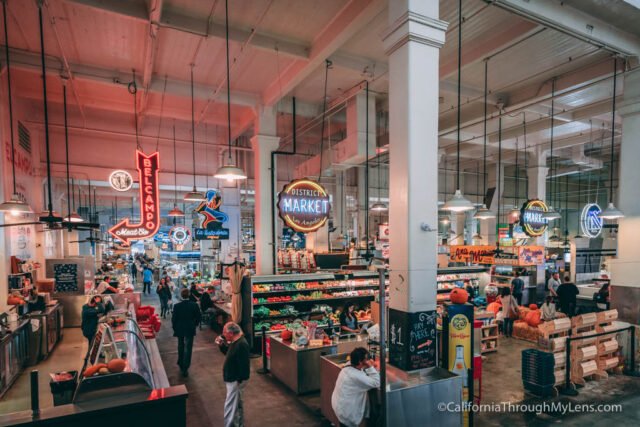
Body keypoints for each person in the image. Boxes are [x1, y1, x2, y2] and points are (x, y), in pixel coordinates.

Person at [331, 347, 380, 427]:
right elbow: (377, 382)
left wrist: (367, 364)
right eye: (366, 359)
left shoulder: (348, 367)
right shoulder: (355, 376)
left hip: (339, 407)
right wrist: (370, 366)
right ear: (360, 362)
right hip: (347, 413)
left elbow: (360, 369)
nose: (367, 360)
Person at [215, 322, 250, 427]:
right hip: (233, 379)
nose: (223, 335)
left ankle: (230, 425)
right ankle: (239, 424)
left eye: (224, 333)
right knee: (237, 405)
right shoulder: (235, 342)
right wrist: (222, 346)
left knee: (230, 406)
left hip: (235, 380)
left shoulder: (241, 344)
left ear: (230, 333)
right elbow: (230, 354)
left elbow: (244, 365)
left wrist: (239, 380)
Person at [172, 288, 201, 376]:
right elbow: (198, 317)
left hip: (180, 328)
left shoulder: (177, 306)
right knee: (188, 348)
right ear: (189, 295)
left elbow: (174, 319)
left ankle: (180, 363)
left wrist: (175, 328)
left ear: (181, 295)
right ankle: (185, 367)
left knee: (180, 346)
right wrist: (195, 324)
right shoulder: (194, 305)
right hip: (190, 328)